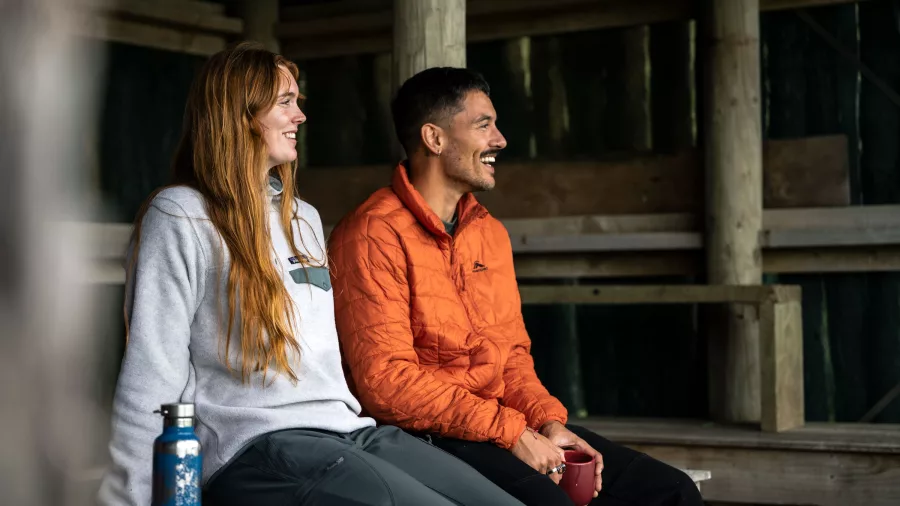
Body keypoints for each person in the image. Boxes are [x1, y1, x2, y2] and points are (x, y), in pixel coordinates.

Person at [96, 43, 525, 506]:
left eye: (298, 103)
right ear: (238, 113)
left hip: (349, 431)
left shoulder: (302, 218)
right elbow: (150, 371)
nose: (300, 116)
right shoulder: (181, 215)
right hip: (257, 442)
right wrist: (130, 498)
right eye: (285, 102)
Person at [328, 67, 705, 506]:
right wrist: (510, 433)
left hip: (500, 423)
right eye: (483, 125)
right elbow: (387, 383)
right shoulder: (371, 233)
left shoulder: (489, 233)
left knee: (670, 492)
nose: (500, 139)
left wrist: (548, 424)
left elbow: (511, 357)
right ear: (434, 139)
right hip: (426, 434)